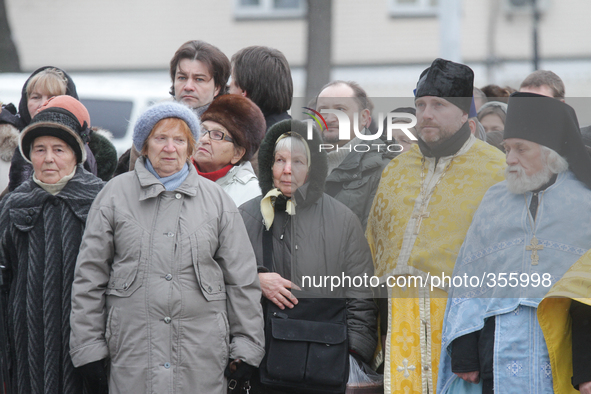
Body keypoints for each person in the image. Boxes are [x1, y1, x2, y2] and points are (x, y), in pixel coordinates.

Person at [69, 101, 265, 394]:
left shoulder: (217, 201)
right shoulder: (114, 195)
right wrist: (88, 349)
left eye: (179, 140)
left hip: (201, 358)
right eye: (160, 138)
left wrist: (247, 347)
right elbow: (89, 278)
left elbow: (242, 280)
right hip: (132, 356)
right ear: (145, 145)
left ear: (190, 147)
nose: (170, 148)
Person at [365, 58, 506, 394]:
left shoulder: (496, 171)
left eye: (438, 105)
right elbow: (372, 248)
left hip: (461, 328)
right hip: (397, 324)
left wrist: (473, 344)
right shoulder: (395, 170)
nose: (426, 113)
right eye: (421, 104)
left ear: (464, 114)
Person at [437, 93, 591, 394]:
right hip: (496, 351)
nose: (509, 159)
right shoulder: (494, 200)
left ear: (551, 152)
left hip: (566, 350)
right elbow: (469, 276)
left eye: (521, 149)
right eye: (507, 148)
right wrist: (465, 352)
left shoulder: (585, 203)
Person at [239, 119, 377, 393]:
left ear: (313, 168)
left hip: (325, 362)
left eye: (298, 162)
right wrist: (256, 280)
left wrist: (354, 353)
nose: (288, 170)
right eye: (280, 160)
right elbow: (220, 280)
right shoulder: (246, 216)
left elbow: (361, 293)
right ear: (269, 164)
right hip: (261, 361)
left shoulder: (343, 220)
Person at [0, 95, 104, 394]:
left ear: (76, 154)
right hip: (26, 335)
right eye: (39, 149)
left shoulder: (102, 200)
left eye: (59, 149)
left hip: (85, 334)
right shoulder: (14, 203)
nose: (48, 158)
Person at [316, 80, 396, 229]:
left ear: (364, 118)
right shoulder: (297, 164)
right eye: (322, 110)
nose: (329, 119)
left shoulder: (386, 170)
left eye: (340, 109)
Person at [192, 94, 265, 206]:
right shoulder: (175, 174)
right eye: (203, 130)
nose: (204, 139)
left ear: (237, 153)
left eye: (217, 135)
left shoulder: (252, 196)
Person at [229, 46, 293, 131]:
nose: (228, 86)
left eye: (232, 78)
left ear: (243, 91)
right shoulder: (294, 131)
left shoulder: (257, 138)